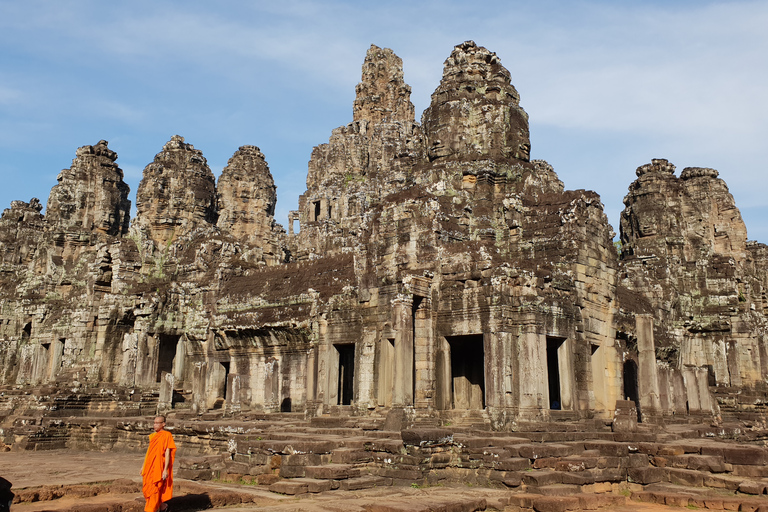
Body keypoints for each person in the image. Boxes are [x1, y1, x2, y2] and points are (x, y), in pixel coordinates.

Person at [141, 415, 176, 512]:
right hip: (150, 466)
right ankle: (162, 506)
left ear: (163, 424)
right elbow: (149, 452)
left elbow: (167, 453)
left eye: (157, 423)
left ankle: (150, 510)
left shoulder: (167, 435)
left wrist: (165, 470)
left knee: (155, 489)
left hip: (159, 467)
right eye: (154, 423)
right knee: (147, 489)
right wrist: (143, 466)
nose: (155, 425)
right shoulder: (153, 436)